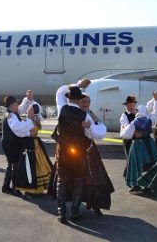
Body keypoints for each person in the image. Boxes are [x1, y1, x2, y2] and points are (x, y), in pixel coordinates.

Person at [52, 86, 95, 223]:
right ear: (78, 100)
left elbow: (59, 92)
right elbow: (92, 134)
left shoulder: (62, 110)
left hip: (63, 150)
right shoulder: (85, 115)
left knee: (61, 180)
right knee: (78, 180)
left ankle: (61, 212)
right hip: (78, 152)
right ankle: (74, 211)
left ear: (69, 98)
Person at [77, 93, 114, 216]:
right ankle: (74, 206)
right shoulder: (74, 113)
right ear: (78, 102)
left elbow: (101, 129)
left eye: (88, 101)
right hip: (75, 150)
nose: (86, 103)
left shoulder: (91, 114)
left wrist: (90, 126)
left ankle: (96, 204)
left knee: (95, 177)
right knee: (75, 178)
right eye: (83, 101)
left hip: (89, 149)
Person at [0, 95, 38, 194]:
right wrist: (30, 132)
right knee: (15, 165)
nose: (18, 105)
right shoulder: (10, 115)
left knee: (11, 164)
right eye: (17, 103)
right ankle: (14, 187)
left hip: (10, 142)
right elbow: (18, 128)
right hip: (10, 143)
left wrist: (29, 117)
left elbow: (23, 120)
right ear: (12, 104)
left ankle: (6, 186)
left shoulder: (15, 113)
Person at [15, 103, 54, 196]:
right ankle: (25, 187)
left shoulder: (35, 121)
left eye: (30, 110)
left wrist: (24, 132)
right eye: (28, 109)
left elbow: (34, 134)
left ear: (35, 113)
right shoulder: (25, 117)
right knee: (26, 166)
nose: (28, 111)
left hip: (32, 145)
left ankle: (33, 189)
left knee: (34, 165)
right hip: (26, 144)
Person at [123, 105, 157, 193]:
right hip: (149, 144)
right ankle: (149, 186)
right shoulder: (149, 119)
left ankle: (136, 185)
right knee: (151, 164)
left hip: (137, 145)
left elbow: (126, 135)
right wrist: (155, 101)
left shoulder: (134, 122)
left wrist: (131, 133)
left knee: (135, 165)